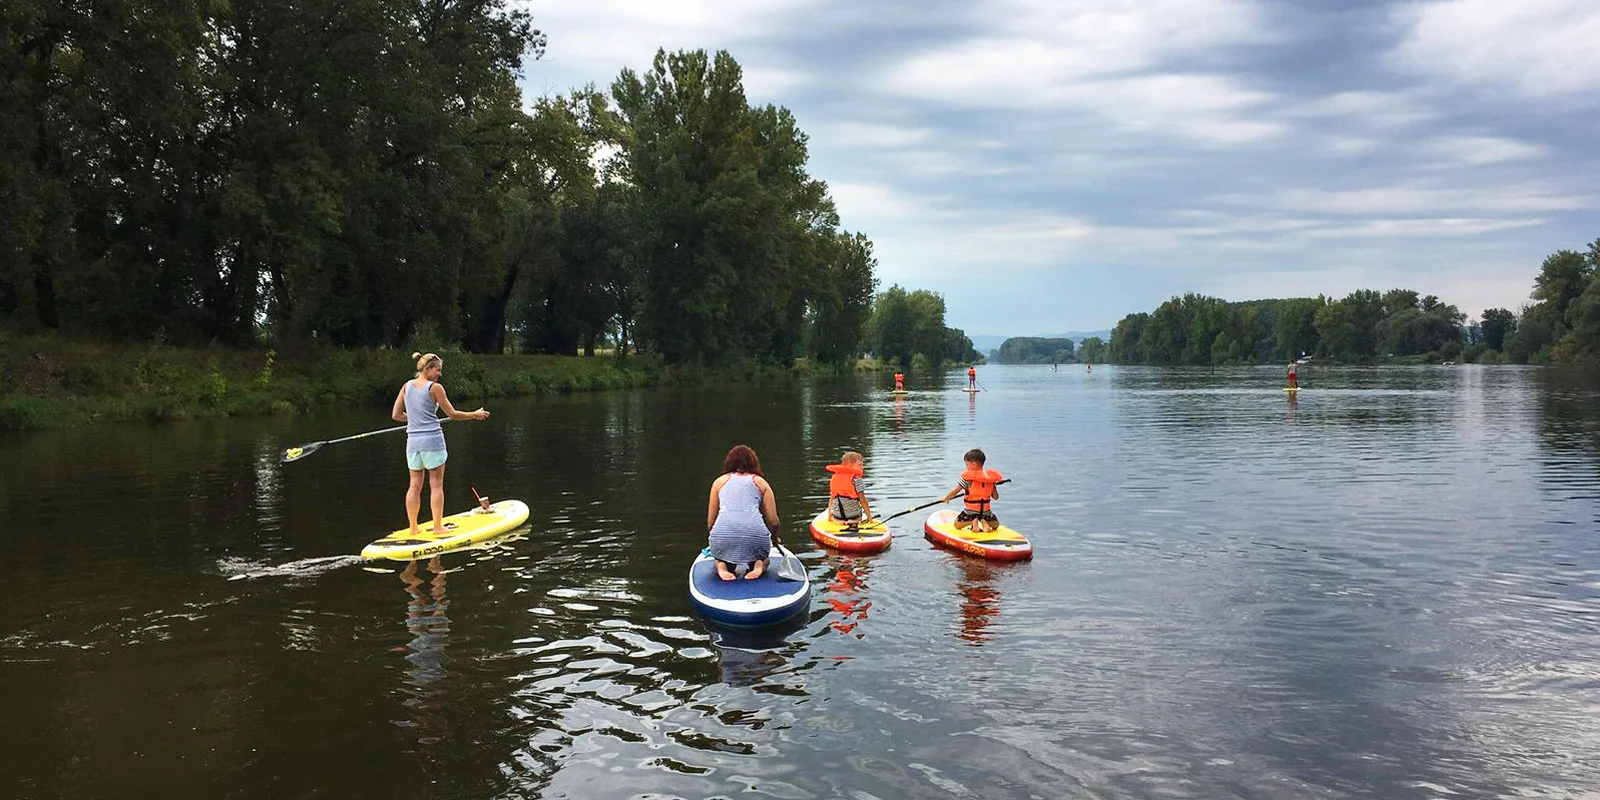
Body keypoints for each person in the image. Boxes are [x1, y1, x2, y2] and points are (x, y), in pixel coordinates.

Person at [391, 352, 491, 536]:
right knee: (436, 484)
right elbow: (452, 414)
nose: (440, 374)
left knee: (414, 485)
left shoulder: (406, 387)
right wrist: (474, 414)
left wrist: (415, 419)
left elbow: (396, 415)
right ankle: (438, 527)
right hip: (432, 441)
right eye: (438, 370)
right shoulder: (435, 388)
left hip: (412, 443)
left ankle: (413, 528)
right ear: (428, 369)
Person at [707, 444, 782, 581]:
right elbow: (774, 521)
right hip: (755, 536)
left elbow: (711, 522)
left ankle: (722, 565)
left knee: (721, 558)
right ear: (754, 463)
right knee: (763, 558)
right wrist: (775, 538)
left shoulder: (719, 482)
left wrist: (717, 539)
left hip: (723, 535)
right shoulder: (761, 483)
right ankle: (759, 565)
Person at [939, 448, 1004, 533]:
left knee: (957, 525)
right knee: (996, 525)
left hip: (970, 513)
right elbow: (996, 497)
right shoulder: (990, 480)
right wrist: (994, 486)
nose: (966, 467)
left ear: (973, 464)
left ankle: (974, 521)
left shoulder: (967, 479)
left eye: (967, 465)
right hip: (986, 513)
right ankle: (983, 522)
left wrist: (946, 498)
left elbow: (955, 491)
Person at [825, 451, 873, 526]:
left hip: (837, 515)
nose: (862, 467)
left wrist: (829, 517)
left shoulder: (834, 477)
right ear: (850, 464)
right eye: (860, 464)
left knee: (835, 509)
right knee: (859, 514)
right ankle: (854, 521)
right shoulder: (857, 479)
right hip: (854, 516)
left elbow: (831, 498)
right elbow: (863, 501)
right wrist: (870, 519)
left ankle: (834, 519)